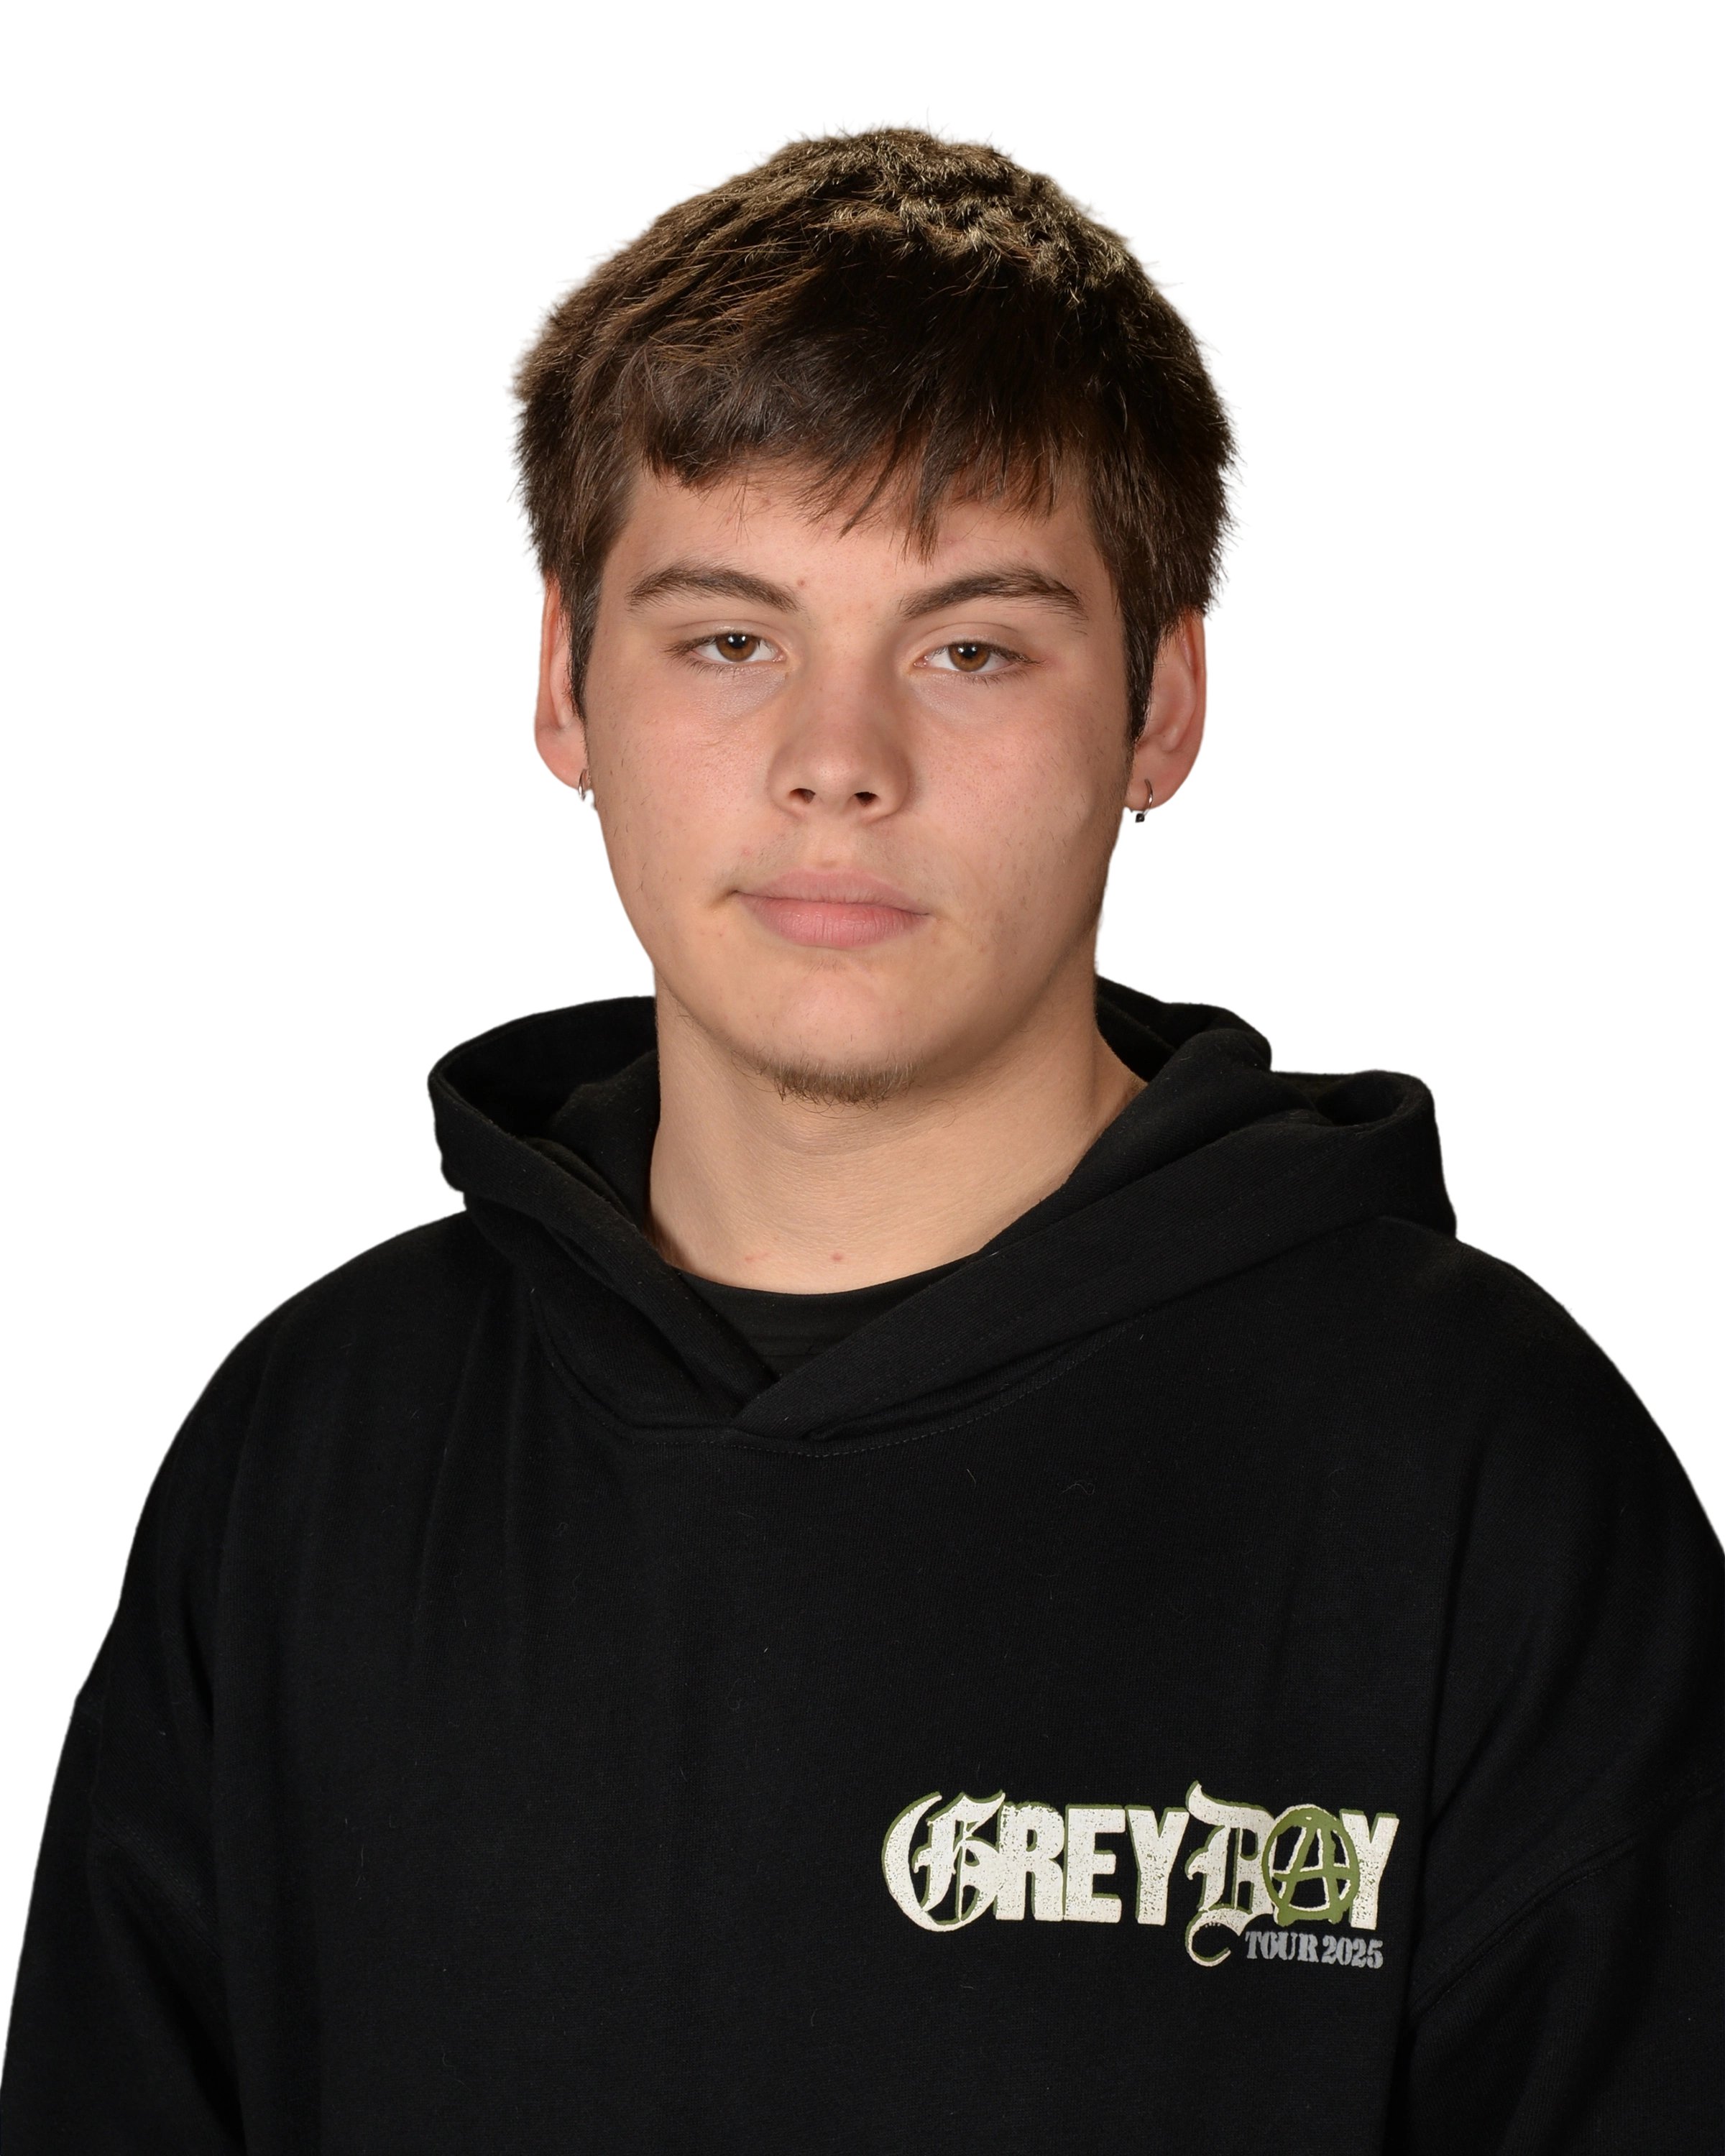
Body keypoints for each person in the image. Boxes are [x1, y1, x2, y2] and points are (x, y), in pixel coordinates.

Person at [4, 116, 1719, 2155]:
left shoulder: (1489, 1470)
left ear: (1164, 707)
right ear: (562, 685)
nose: (839, 763)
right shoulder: (312, 1449)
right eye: (730, 638)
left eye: (971, 648)